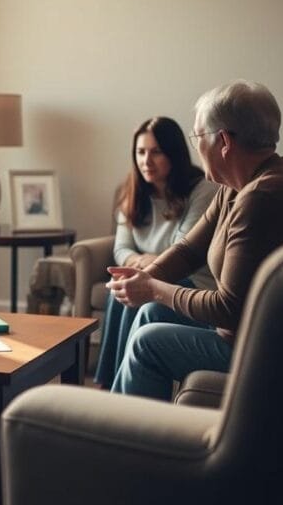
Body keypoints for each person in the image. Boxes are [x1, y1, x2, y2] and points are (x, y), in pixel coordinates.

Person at [107, 80, 283, 400]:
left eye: (197, 136)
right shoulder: (238, 186)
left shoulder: (263, 196)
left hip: (282, 349)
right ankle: (114, 415)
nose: (195, 145)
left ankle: (125, 441)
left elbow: (228, 308)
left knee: (147, 341)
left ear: (223, 142)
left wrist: (151, 289)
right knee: (152, 313)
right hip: (253, 331)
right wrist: (146, 277)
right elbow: (189, 249)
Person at [93, 116, 217, 389]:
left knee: (136, 294)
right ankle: (110, 382)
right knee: (119, 293)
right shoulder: (132, 192)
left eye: (156, 152)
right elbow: (121, 248)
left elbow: (182, 250)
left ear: (174, 153)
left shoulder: (202, 191)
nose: (146, 161)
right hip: (153, 274)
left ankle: (120, 385)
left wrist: (142, 267)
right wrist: (141, 264)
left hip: (191, 282)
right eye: (140, 152)